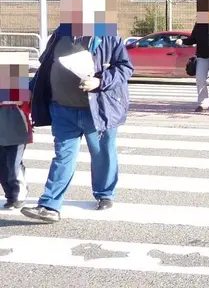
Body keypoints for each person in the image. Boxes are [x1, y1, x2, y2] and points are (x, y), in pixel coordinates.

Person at [22, 29, 133, 223]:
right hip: (62, 109)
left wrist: (100, 81)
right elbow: (45, 67)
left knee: (102, 153)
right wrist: (29, 90)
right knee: (63, 157)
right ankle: (49, 205)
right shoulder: (60, 34)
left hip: (98, 109)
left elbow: (125, 67)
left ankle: (105, 193)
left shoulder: (108, 35)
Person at [180, 22, 209, 112]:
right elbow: (193, 39)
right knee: (200, 78)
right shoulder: (199, 24)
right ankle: (203, 104)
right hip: (202, 55)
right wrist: (183, 41)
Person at [0, 96, 32, 210]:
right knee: (2, 166)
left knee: (14, 164)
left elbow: (24, 101)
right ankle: (10, 195)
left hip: (17, 130)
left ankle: (20, 195)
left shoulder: (15, 80)